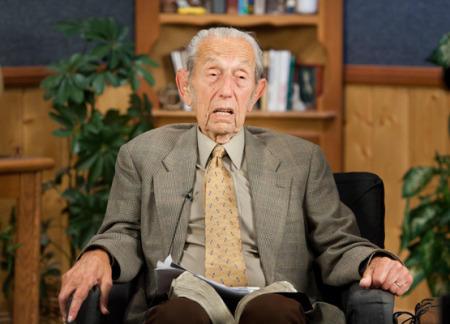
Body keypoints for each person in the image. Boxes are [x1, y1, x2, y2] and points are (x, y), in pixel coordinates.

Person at [59, 27, 412, 324]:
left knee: (271, 311)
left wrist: (374, 260)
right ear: (186, 86)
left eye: (240, 76)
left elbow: (337, 240)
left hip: (271, 296)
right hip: (181, 299)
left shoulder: (300, 158)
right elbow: (122, 230)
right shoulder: (142, 154)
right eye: (212, 74)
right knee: (178, 316)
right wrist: (99, 254)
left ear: (256, 92)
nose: (226, 89)